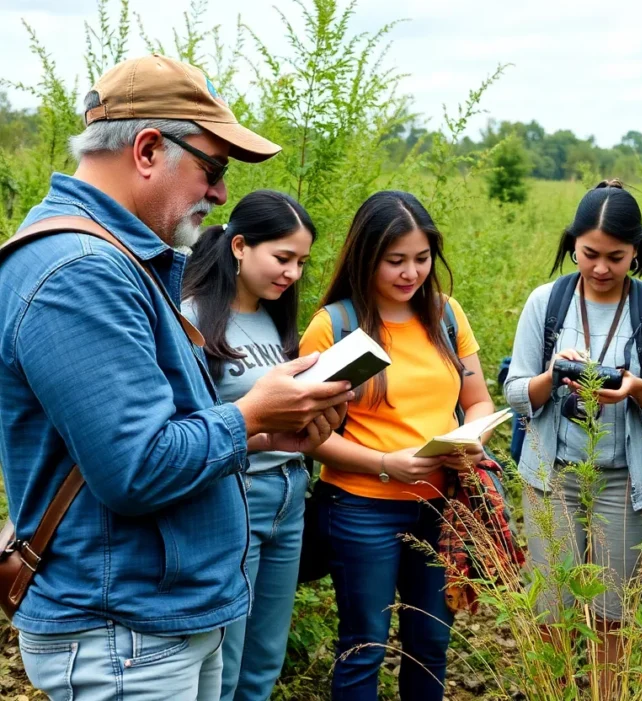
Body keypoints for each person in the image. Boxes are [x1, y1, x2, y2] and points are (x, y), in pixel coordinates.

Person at [0, 55, 351, 699]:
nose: (220, 195)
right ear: (148, 149)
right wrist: (249, 415)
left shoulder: (120, 260)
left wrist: (266, 433)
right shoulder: (79, 274)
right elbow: (137, 469)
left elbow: (159, 433)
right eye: (213, 169)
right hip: (123, 635)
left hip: (157, 622)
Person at [299, 191, 495, 701]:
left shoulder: (446, 316)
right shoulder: (336, 327)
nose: (411, 273)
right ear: (367, 257)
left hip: (442, 505)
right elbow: (310, 436)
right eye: (396, 261)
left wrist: (472, 441)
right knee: (363, 645)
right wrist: (386, 464)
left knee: (430, 644)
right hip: (362, 509)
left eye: (422, 259)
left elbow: (476, 401)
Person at [504, 180, 642, 691]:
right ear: (572, 245)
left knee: (612, 614)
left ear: (637, 252)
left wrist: (636, 390)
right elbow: (516, 392)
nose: (601, 268)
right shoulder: (547, 302)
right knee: (552, 608)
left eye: (616, 256)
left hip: (623, 482)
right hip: (552, 478)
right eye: (589, 254)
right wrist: (554, 374)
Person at [181, 190, 320, 700]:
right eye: (282, 258)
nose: (293, 274)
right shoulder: (192, 316)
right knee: (228, 660)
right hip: (237, 494)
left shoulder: (273, 316)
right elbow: (187, 425)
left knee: (265, 659)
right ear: (240, 246)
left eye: (301, 262)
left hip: (290, 496)